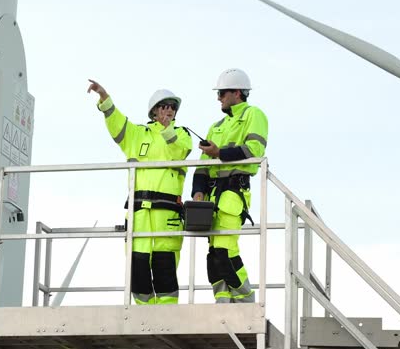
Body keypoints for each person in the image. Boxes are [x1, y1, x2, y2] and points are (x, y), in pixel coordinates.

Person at [87, 79, 192, 305]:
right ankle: (145, 316)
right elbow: (116, 123)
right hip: (139, 215)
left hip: (167, 215)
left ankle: (167, 318)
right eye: (165, 106)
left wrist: (167, 131)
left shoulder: (182, 134)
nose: (169, 110)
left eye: (173, 107)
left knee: (165, 268)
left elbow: (179, 151)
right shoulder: (137, 134)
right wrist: (104, 97)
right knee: (138, 270)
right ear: (154, 111)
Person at [192, 68, 268, 303]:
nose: (219, 98)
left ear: (237, 92)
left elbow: (254, 151)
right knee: (213, 256)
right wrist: (198, 193)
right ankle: (223, 304)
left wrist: (220, 152)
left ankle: (246, 301)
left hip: (234, 194)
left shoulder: (254, 115)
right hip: (212, 198)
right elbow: (202, 166)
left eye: (222, 93)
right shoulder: (216, 126)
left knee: (224, 253)